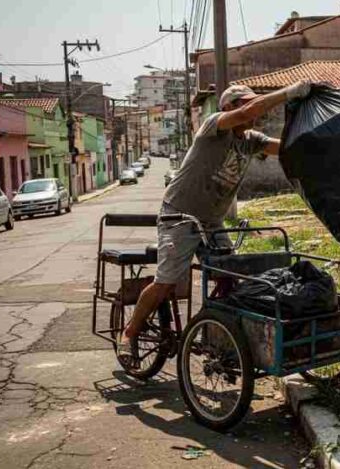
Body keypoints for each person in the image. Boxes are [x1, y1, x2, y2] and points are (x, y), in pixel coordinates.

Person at [118, 80, 313, 367]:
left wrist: (322, 142)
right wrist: (288, 92)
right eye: (243, 103)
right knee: (166, 282)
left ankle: (217, 334)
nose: (251, 109)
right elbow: (247, 113)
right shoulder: (214, 126)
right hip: (179, 215)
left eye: (251, 102)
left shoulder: (251, 140)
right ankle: (128, 334)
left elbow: (286, 149)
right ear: (227, 108)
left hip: (212, 221)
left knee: (230, 278)